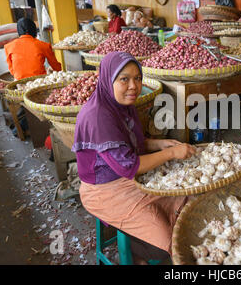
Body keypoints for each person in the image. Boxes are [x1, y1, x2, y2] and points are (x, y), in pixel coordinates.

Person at [72, 51, 196, 264]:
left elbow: (131, 145)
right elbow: (130, 166)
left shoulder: (121, 106)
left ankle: (141, 242)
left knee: (186, 196)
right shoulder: (98, 116)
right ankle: (137, 255)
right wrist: (171, 153)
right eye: (124, 79)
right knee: (165, 235)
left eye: (137, 78)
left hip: (124, 177)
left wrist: (160, 144)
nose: (133, 86)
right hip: (103, 190)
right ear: (108, 80)